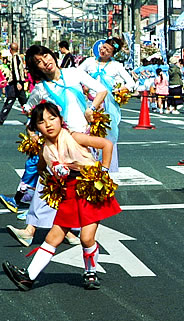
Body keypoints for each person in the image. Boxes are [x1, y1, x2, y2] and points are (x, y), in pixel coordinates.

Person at [2, 101, 120, 291]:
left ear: (60, 120)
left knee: (87, 238)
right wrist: (53, 183)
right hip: (69, 193)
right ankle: (28, 277)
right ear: (36, 127)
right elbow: (41, 168)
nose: (48, 124)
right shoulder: (45, 149)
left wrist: (104, 172)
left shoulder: (74, 137)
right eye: (41, 121)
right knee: (53, 236)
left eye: (52, 118)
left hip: (90, 188)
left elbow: (106, 144)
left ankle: (91, 272)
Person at [79, 37, 131, 171]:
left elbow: (131, 83)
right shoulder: (89, 62)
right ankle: (88, 166)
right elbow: (76, 75)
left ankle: (108, 168)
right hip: (89, 103)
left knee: (108, 135)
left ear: (112, 54)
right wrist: (83, 86)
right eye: (103, 47)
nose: (103, 51)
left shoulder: (116, 66)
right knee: (87, 133)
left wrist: (119, 90)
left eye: (108, 50)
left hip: (107, 107)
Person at [0, 42, 27, 125]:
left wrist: (18, 82)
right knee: (23, 101)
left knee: (10, 100)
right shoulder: (19, 57)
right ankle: (33, 118)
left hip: (16, 83)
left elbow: (16, 70)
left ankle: (1, 118)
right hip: (17, 82)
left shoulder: (15, 57)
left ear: (10, 49)